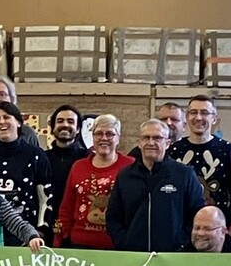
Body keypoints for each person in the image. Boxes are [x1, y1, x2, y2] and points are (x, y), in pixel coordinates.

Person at [107, 119, 203, 253]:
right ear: (139, 143)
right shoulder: (125, 176)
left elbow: (197, 214)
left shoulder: (184, 175)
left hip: (173, 255)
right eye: (146, 138)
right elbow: (113, 217)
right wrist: (124, 242)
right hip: (133, 255)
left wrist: (181, 242)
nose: (151, 143)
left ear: (167, 143)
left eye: (157, 138)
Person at [169, 95, 231, 228]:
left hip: (214, 229)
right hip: (178, 229)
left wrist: (223, 223)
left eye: (204, 113)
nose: (198, 117)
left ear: (214, 118)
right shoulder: (173, 150)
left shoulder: (227, 150)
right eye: (193, 112)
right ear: (187, 117)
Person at [56, 114, 133, 250]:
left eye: (110, 134)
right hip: (79, 244)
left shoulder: (131, 166)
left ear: (118, 138)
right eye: (98, 134)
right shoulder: (78, 166)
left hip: (117, 246)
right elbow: (67, 207)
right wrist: (61, 239)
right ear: (92, 137)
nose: (104, 138)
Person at [0, 102, 51, 243]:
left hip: (26, 234)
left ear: (19, 122)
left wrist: (40, 229)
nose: (1, 122)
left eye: (6, 117)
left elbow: (45, 197)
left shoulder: (36, 155)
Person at [45, 104, 88, 204]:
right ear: (53, 128)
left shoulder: (87, 158)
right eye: (60, 121)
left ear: (78, 129)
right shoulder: (43, 158)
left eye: (70, 121)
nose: (65, 125)